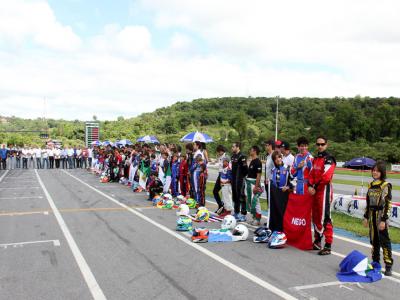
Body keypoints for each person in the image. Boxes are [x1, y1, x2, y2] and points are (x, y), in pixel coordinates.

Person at [363, 161, 393, 276]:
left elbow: (388, 203)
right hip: (371, 215)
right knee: (374, 241)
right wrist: (366, 217)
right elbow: (367, 202)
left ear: (382, 172)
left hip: (381, 216)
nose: (375, 172)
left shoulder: (386, 185)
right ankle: (375, 263)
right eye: (373, 170)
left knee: (384, 241)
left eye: (377, 171)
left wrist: (384, 220)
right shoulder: (370, 185)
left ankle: (388, 265)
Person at [308, 136, 336, 255]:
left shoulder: (329, 159)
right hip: (314, 191)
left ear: (326, 145)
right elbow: (311, 174)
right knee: (315, 216)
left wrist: (314, 187)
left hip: (324, 191)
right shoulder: (315, 159)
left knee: (325, 217)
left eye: (322, 144)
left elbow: (326, 177)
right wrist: (309, 185)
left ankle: (328, 245)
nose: (320, 146)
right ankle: (317, 241)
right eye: (318, 144)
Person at [268, 151, 293, 232]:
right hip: (275, 194)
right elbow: (272, 181)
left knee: (282, 213)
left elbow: (293, 181)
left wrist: (288, 187)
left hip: (284, 194)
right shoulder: (273, 170)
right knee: (274, 212)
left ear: (281, 157)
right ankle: (274, 229)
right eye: (275, 159)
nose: (278, 159)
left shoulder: (288, 168)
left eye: (279, 157)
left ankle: (282, 230)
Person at [245, 146, 263, 226]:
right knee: (250, 201)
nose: (249, 151)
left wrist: (256, 186)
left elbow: (258, 175)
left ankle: (258, 219)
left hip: (254, 183)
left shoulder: (258, 162)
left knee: (256, 201)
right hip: (249, 183)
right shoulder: (252, 161)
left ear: (255, 151)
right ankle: (254, 217)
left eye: (251, 150)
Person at [231, 142, 248, 222]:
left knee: (241, 196)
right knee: (235, 196)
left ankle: (243, 214)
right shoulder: (233, 156)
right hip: (233, 179)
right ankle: (236, 212)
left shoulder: (242, 157)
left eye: (233, 146)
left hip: (240, 179)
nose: (232, 148)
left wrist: (241, 177)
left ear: (237, 147)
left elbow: (246, 169)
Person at [213, 145, 228, 214]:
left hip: (224, 175)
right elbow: (218, 164)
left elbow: (226, 167)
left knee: (223, 193)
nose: (218, 153)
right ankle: (220, 206)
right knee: (215, 191)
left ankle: (223, 208)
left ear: (222, 151)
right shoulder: (220, 157)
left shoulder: (225, 157)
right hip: (220, 175)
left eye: (219, 152)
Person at [263, 139, 275, 204]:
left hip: (272, 182)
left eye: (266, 145)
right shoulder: (268, 156)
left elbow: (276, 168)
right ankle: (269, 213)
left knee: (272, 201)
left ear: (270, 146)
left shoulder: (274, 155)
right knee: (269, 201)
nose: (265, 147)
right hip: (267, 182)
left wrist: (271, 179)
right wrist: (266, 178)